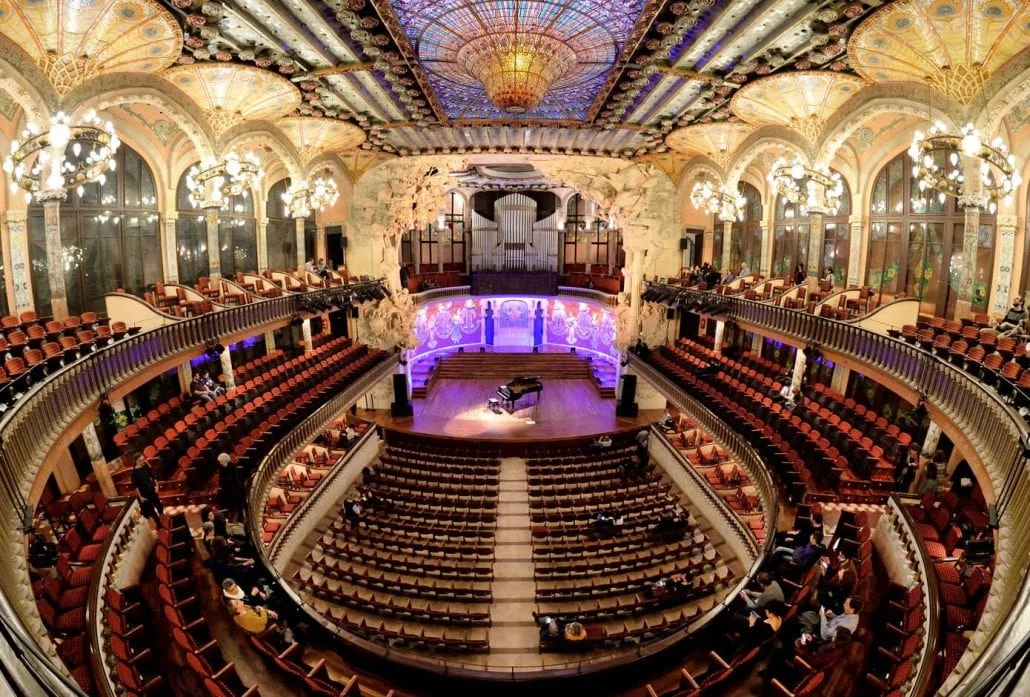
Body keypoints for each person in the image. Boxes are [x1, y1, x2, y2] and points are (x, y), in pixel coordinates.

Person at [131, 454, 163, 524]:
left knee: (159, 506)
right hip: (144, 494)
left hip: (152, 490)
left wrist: (157, 486)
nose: (144, 461)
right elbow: (135, 486)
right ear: (137, 461)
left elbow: (153, 475)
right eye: (142, 460)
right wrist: (141, 497)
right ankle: (158, 524)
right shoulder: (134, 473)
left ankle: (163, 520)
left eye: (144, 459)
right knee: (152, 511)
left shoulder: (145, 466)